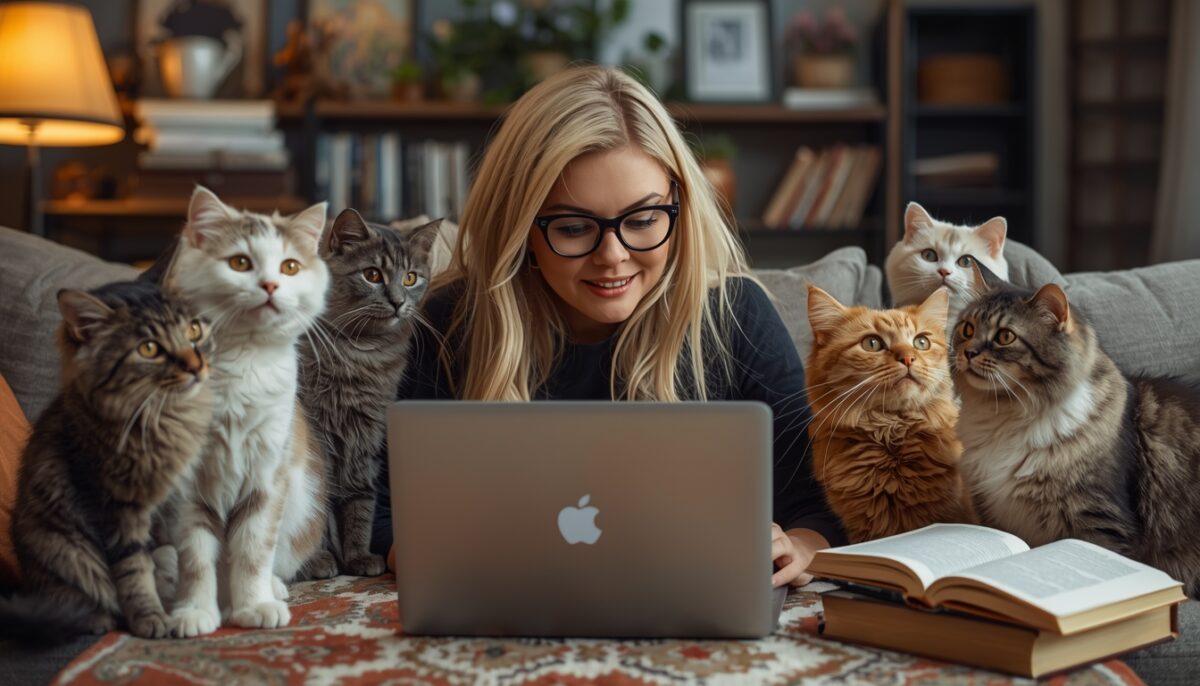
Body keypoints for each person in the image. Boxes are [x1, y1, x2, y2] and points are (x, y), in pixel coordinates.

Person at [374, 65, 845, 587]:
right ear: (520, 227)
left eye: (642, 220)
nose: (613, 256)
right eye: (575, 227)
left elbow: (820, 502)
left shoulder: (737, 316)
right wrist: (436, 554)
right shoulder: (446, 324)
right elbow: (379, 512)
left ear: (679, 206)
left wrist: (802, 547)